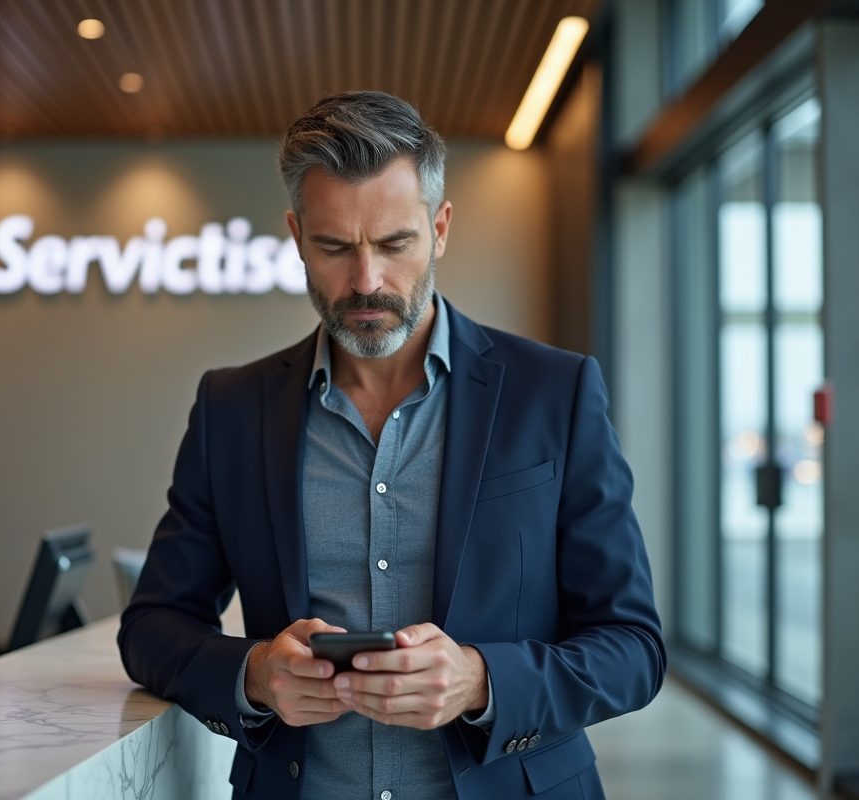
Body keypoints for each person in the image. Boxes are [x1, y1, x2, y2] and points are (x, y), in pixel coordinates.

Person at [118, 90, 665, 800]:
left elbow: (633, 648)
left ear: (440, 227)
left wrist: (482, 679)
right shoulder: (231, 408)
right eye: (335, 247)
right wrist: (254, 674)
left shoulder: (554, 394)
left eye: (394, 243)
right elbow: (153, 626)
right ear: (296, 237)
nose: (367, 281)